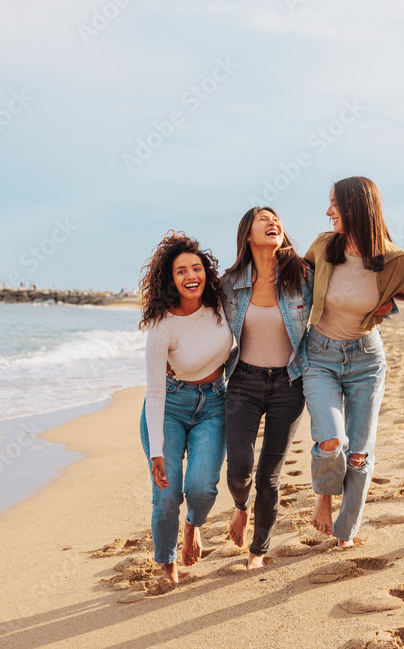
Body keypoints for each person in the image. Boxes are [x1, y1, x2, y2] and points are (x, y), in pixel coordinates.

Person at [303, 176, 404, 547]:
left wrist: (393, 303)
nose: (328, 213)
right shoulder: (324, 247)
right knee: (331, 439)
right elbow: (290, 287)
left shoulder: (396, 261)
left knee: (357, 452)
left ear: (356, 208)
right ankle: (324, 498)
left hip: (366, 361)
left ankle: (346, 533)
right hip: (319, 355)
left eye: (335, 206)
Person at [138, 232, 234, 582]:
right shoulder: (163, 326)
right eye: (181, 271)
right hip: (169, 407)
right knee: (166, 494)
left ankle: (193, 525)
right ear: (170, 278)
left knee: (202, 488)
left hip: (214, 403)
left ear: (206, 272)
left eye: (197, 268)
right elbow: (154, 390)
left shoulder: (223, 305)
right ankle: (166, 562)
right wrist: (157, 453)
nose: (191, 276)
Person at [220, 207, 313, 569]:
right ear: (248, 234)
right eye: (263, 219)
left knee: (268, 476)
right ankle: (240, 507)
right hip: (243, 381)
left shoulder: (303, 275)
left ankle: (258, 552)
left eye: (276, 218)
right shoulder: (229, 283)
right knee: (239, 468)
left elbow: (345, 287)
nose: (273, 222)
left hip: (289, 384)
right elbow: (197, 314)